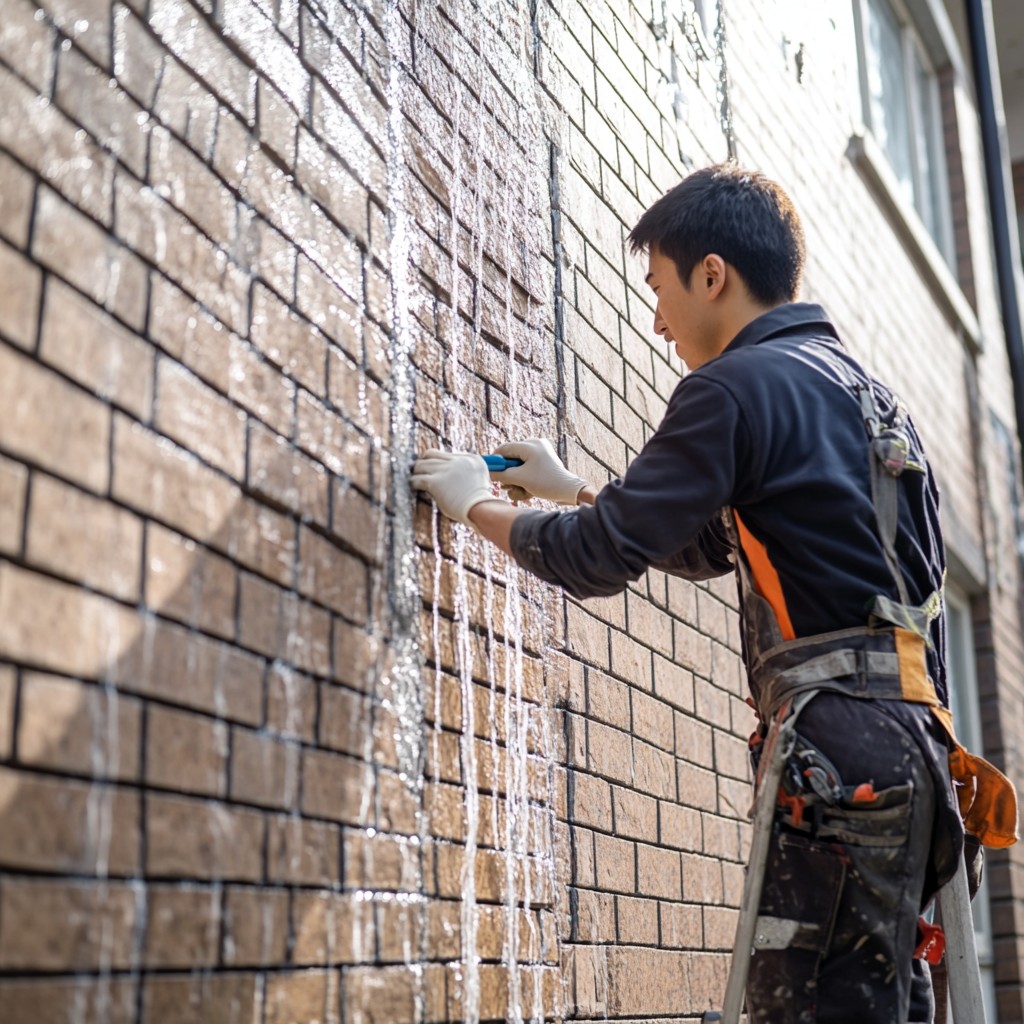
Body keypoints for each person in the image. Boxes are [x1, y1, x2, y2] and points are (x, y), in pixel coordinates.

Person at [410, 164, 1016, 1023]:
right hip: (918, 754)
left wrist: (473, 502)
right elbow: (709, 544)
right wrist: (579, 486)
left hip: (839, 750)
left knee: (811, 1007)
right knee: (879, 1002)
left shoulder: (732, 386)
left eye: (659, 287)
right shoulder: (867, 396)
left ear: (712, 275)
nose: (657, 322)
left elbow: (601, 557)